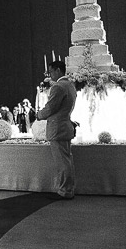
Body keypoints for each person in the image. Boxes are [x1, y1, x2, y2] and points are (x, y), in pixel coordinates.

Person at [36, 60, 77, 200]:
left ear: (58, 70)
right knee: (67, 160)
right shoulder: (70, 85)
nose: (50, 75)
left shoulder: (58, 87)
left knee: (62, 162)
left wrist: (38, 115)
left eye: (51, 72)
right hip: (65, 125)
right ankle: (68, 188)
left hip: (57, 128)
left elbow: (50, 108)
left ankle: (64, 190)